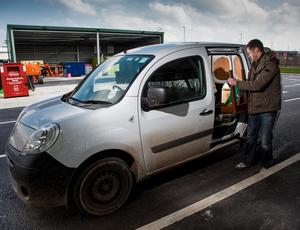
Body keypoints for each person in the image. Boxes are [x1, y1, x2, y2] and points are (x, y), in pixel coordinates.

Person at [228, 39, 281, 169]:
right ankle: (248, 161)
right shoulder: (254, 64)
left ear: (257, 50)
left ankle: (267, 162)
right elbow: (250, 84)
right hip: (254, 108)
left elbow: (258, 85)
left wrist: (237, 83)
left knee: (265, 141)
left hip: (267, 109)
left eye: (249, 53)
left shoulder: (271, 65)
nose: (249, 56)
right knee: (250, 138)